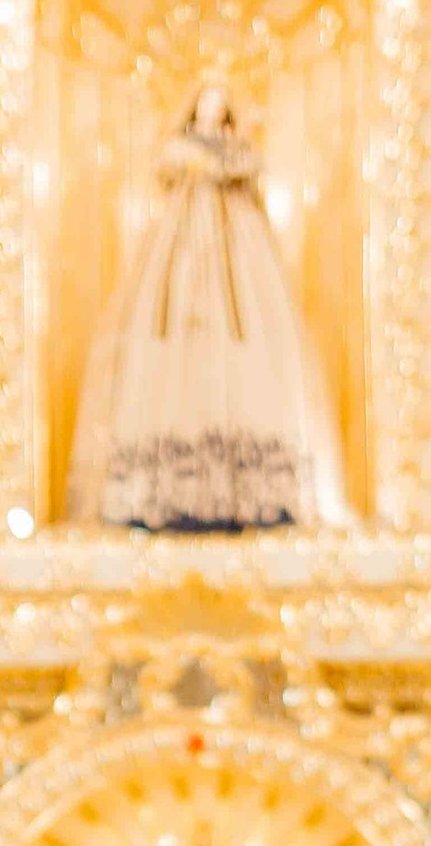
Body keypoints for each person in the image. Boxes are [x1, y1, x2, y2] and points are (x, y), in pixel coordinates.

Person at [63, 83, 349, 533]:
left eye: (220, 104)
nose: (213, 110)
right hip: (182, 271)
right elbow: (171, 166)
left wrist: (225, 165)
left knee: (243, 354)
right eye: (206, 103)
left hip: (239, 277)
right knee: (174, 353)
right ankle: (167, 489)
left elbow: (248, 169)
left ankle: (250, 487)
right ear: (196, 108)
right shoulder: (182, 161)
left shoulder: (237, 163)